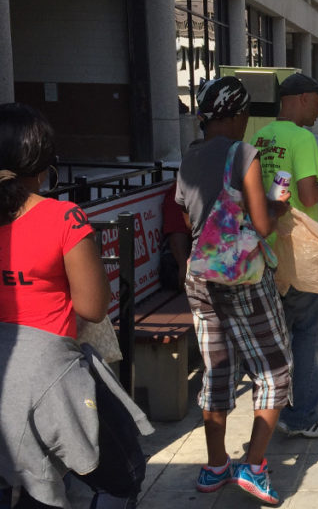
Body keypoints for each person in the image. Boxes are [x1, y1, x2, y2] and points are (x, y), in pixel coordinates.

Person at [0, 102, 151, 509]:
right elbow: (92, 306)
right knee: (124, 474)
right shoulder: (62, 217)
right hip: (49, 372)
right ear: (40, 159)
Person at [176, 77, 292, 505]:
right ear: (239, 114)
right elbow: (261, 226)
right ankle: (255, 466)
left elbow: (188, 217)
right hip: (243, 276)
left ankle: (214, 466)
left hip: (200, 276)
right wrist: (277, 206)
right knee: (274, 368)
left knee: (217, 368)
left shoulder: (188, 159)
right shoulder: (242, 153)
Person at [250, 72, 318, 439]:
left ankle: (271, 411)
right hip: (296, 250)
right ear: (301, 98)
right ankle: (302, 418)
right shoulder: (302, 138)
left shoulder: (258, 136)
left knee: (277, 336)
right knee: (306, 335)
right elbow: (308, 197)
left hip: (263, 251)